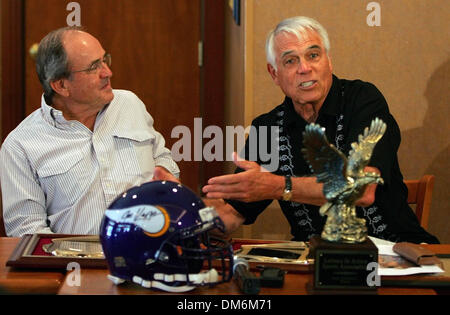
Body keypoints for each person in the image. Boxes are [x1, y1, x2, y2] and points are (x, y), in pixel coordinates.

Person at [202, 16, 439, 244]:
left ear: (328, 60)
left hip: (393, 256)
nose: (304, 68)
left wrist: (276, 185)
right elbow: (231, 214)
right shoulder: (268, 127)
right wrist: (178, 205)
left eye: (313, 55)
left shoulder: (363, 100)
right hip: (316, 262)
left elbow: (362, 189)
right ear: (274, 73)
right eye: (290, 61)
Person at [0, 27, 180, 236]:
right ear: (61, 86)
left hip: (152, 251)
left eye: (105, 60)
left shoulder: (130, 104)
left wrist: (164, 179)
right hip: (74, 263)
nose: (107, 72)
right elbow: (27, 231)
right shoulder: (20, 146)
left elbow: (163, 159)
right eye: (94, 67)